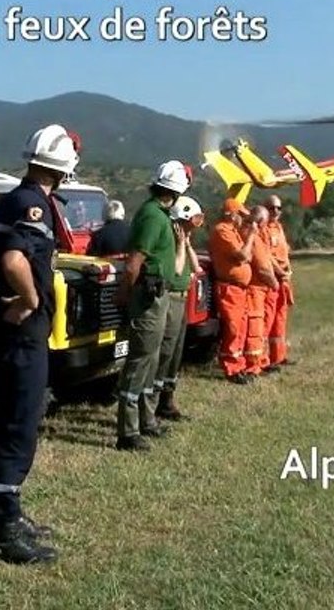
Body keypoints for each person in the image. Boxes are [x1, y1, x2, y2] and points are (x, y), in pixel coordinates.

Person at [0, 124, 78, 564]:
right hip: (23, 329)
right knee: (19, 421)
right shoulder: (33, 206)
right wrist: (28, 297)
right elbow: (14, 257)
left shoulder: (11, 200)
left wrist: (4, 286)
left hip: (10, 327)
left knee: (13, 417)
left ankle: (11, 514)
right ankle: (3, 529)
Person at [113, 160, 191, 451]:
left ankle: (146, 421)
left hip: (159, 298)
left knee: (152, 360)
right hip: (148, 299)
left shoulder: (159, 215)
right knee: (140, 360)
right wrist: (124, 296)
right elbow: (134, 264)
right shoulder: (153, 217)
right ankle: (127, 432)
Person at [154, 196, 203, 421]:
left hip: (182, 300)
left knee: (175, 353)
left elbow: (196, 268)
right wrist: (181, 244)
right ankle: (154, 402)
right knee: (165, 352)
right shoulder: (170, 244)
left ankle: (167, 400)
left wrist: (188, 243)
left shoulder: (184, 242)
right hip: (171, 299)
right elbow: (176, 270)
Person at [208, 197, 258, 384]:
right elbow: (244, 255)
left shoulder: (233, 232)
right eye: (241, 215)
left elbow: (247, 257)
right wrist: (252, 235)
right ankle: (231, 368)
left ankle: (238, 364)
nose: (243, 220)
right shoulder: (223, 231)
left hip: (239, 290)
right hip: (229, 288)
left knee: (241, 328)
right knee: (233, 328)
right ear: (232, 214)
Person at [244, 205, 279, 376]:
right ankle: (252, 366)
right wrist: (275, 283)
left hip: (262, 289)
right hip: (255, 290)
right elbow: (262, 267)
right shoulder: (252, 237)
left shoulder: (257, 237)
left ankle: (262, 361)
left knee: (263, 327)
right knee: (255, 328)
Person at [264, 195, 297, 368]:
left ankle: (279, 356)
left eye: (278, 208)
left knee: (280, 318)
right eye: (271, 208)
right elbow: (267, 255)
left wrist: (288, 271)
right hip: (272, 280)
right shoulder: (264, 230)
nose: (275, 211)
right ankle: (262, 359)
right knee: (267, 318)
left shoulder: (279, 228)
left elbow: (284, 253)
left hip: (284, 278)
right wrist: (280, 272)